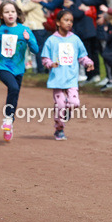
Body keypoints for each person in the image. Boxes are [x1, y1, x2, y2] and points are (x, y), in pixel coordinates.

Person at [0, 1, 39, 141]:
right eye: (6, 12)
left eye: (12, 11)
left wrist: (29, 40)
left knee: (14, 94)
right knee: (13, 88)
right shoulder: (0, 30)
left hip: (19, 68)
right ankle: (7, 118)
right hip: (3, 66)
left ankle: (9, 123)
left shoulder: (25, 30)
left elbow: (35, 50)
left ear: (17, 13)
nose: (10, 14)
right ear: (1, 15)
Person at [40, 10, 94, 140]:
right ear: (58, 22)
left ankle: (67, 110)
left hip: (71, 78)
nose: (69, 23)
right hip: (57, 79)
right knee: (60, 105)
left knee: (74, 103)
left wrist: (88, 63)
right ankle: (59, 129)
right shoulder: (51, 40)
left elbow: (82, 56)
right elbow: (45, 58)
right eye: (66, 20)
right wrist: (50, 64)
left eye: (71, 21)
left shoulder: (75, 39)